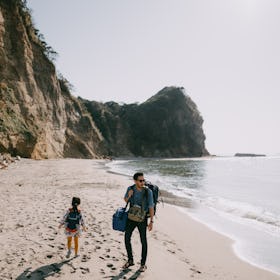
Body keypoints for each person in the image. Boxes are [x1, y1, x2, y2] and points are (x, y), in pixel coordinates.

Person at [123, 172, 154, 272]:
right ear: (135, 181)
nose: (142, 182)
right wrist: (129, 195)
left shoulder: (147, 191)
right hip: (131, 217)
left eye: (143, 180)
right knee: (127, 238)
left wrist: (151, 221)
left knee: (143, 241)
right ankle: (130, 260)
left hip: (142, 219)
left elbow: (151, 206)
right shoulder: (130, 188)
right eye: (140, 180)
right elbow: (125, 200)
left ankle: (143, 264)